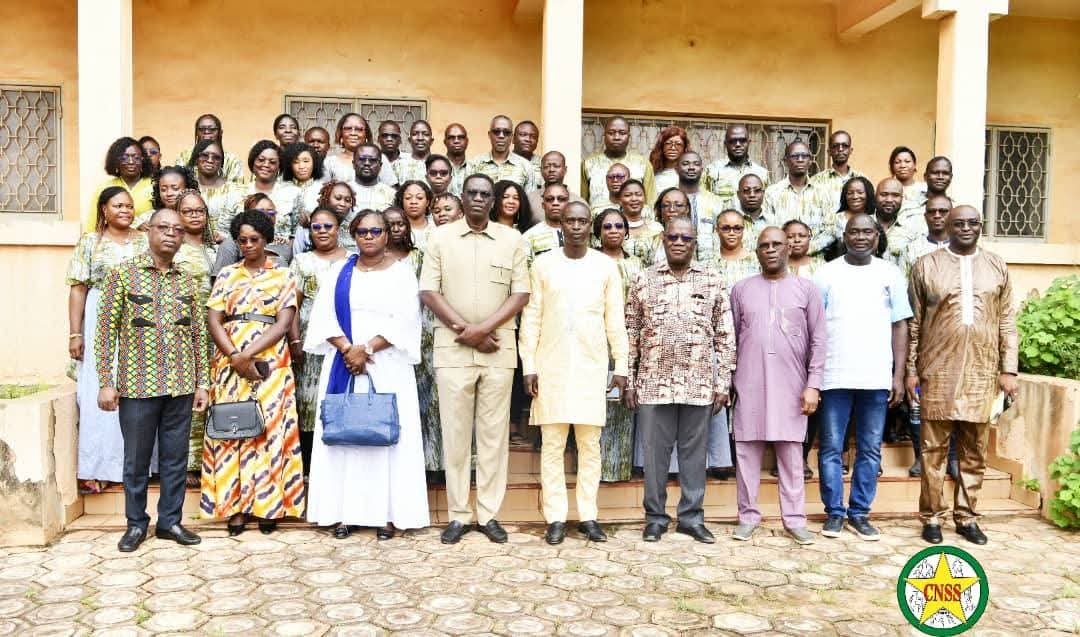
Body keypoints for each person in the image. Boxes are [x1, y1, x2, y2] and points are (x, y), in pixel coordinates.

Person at [304, 210, 430, 539]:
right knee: (344, 438)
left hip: (386, 366)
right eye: (363, 232)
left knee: (385, 438)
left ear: (387, 235)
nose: (369, 237)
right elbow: (323, 316)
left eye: (376, 231)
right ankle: (344, 513)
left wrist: (368, 349)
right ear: (354, 235)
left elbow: (405, 319)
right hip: (344, 364)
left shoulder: (402, 274)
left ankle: (386, 514)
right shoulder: (339, 271)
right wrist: (349, 349)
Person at [419, 174, 530, 545]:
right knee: (455, 435)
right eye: (473, 193)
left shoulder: (512, 240)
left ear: (493, 201)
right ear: (462, 198)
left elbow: (521, 294)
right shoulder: (440, 237)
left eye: (485, 194)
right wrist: (465, 330)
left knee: (493, 436)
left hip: (498, 348)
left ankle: (488, 514)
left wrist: (482, 330)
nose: (479, 199)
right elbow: (428, 291)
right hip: (453, 348)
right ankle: (458, 514)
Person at [96, 209, 209, 552]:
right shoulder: (122, 275)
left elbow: (198, 335)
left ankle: (170, 522)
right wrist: (106, 381)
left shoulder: (188, 280)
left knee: (175, 458)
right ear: (149, 231)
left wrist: (202, 383)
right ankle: (135, 523)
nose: (171, 234)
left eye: (177, 230)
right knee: (137, 460)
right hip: (137, 384)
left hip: (181, 384)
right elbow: (105, 332)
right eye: (164, 227)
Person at [907, 205, 1018, 546]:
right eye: (959, 223)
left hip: (982, 371)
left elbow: (1007, 321)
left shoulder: (996, 266)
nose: (966, 228)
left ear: (981, 226)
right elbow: (914, 324)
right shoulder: (927, 265)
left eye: (973, 223)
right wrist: (911, 370)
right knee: (933, 450)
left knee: (974, 451)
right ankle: (932, 517)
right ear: (947, 225)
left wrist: (1009, 369)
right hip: (937, 371)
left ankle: (967, 517)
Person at [520, 201, 628, 545]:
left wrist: (621, 365)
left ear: (590, 225)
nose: (576, 227)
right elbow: (531, 318)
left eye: (582, 221)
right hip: (550, 368)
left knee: (589, 446)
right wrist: (529, 366)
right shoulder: (543, 265)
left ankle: (588, 516)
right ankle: (555, 518)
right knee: (552, 446)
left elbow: (615, 320)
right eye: (570, 221)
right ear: (561, 225)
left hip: (591, 368)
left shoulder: (605, 266)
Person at [626, 216, 735, 544]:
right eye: (672, 237)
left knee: (694, 454)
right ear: (663, 240)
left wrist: (723, 383)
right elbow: (631, 332)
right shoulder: (643, 280)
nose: (678, 242)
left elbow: (725, 335)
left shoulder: (712, 280)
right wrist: (629, 380)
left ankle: (691, 517)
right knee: (654, 456)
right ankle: (655, 518)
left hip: (697, 385)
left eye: (685, 238)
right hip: (652, 383)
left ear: (695, 243)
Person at [201, 210, 305, 536]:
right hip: (229, 362)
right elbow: (214, 319)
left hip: (270, 362)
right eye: (242, 240)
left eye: (254, 239)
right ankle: (235, 509)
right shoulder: (227, 274)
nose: (248, 245)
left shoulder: (283, 275)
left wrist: (247, 355)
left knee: (270, 432)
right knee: (234, 430)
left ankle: (268, 507)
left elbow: (284, 323)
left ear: (266, 239)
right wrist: (234, 356)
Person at [813, 214, 912, 541]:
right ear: (844, 236)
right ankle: (834, 512)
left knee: (870, 449)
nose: (860, 237)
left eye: (867, 232)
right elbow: (814, 328)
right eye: (853, 232)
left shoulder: (890, 273)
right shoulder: (826, 274)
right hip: (834, 375)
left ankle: (859, 513)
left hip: (875, 377)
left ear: (877, 237)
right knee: (831, 448)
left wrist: (898, 374)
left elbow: (900, 325)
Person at [729, 227, 826, 545]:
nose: (770, 249)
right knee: (746, 453)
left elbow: (819, 340)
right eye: (764, 245)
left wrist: (813, 385)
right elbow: (731, 339)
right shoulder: (741, 289)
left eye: (776, 244)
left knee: (791, 457)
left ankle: (795, 520)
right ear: (757, 252)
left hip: (792, 386)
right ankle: (747, 516)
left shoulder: (807, 290)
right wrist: (729, 382)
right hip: (749, 383)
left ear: (788, 248)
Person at [68, 187, 148, 494]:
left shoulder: (144, 241)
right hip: (99, 317)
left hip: (139, 321)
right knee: (100, 388)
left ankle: (136, 468)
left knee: (138, 390)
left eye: (129, 206)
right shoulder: (90, 242)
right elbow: (78, 289)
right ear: (104, 209)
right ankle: (100, 468)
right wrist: (75, 333)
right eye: (118, 205)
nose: (125, 211)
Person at [898, 194, 959, 479]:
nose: (937, 216)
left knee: (952, 399)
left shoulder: (966, 250)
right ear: (925, 216)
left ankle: (953, 457)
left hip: (956, 339)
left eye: (943, 211)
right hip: (922, 336)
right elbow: (908, 296)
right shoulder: (913, 250)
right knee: (917, 398)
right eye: (932, 211)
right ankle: (920, 456)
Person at [289, 208, 348, 476]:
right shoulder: (302, 261)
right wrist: (295, 341)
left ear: (339, 229)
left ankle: (338, 465)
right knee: (308, 402)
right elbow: (292, 306)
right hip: (309, 342)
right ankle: (309, 468)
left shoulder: (352, 259)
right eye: (316, 227)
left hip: (344, 341)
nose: (322, 231)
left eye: (328, 226)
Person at [171, 190, 222, 486]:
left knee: (211, 392)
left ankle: (210, 459)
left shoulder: (215, 250)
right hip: (183, 331)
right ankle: (188, 463)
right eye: (187, 211)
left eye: (199, 211)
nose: (194, 216)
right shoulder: (174, 250)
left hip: (214, 330)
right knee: (187, 395)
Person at [594, 209, 643, 482]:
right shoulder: (590, 262)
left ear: (626, 231)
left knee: (622, 400)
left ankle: (619, 469)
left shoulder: (638, 265)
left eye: (618, 226)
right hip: (595, 340)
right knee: (598, 403)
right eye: (607, 226)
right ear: (598, 232)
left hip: (628, 341)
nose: (613, 231)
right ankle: (595, 468)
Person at [763, 141, 837, 257]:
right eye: (795, 156)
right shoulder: (772, 193)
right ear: (786, 160)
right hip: (782, 259)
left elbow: (831, 229)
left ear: (810, 160)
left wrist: (807, 248)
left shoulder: (823, 193)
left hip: (815, 260)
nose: (800, 159)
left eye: (805, 156)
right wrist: (785, 249)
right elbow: (768, 229)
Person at [582, 116, 655, 209]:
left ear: (629, 137)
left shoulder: (642, 164)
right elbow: (582, 202)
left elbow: (650, 203)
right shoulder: (589, 164)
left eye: (622, 133)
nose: (616, 137)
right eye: (611, 133)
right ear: (604, 136)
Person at [84, 137, 155, 233]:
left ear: (143, 160)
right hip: (112, 240)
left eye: (136, 157)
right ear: (116, 161)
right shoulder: (104, 187)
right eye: (124, 158)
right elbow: (93, 222)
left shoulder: (155, 185)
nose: (131, 162)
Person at [242, 140, 299, 242]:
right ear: (253, 162)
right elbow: (226, 231)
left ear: (279, 166)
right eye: (261, 160)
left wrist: (288, 247)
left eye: (272, 162)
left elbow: (297, 233)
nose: (266, 165)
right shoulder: (238, 192)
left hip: (280, 248)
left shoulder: (293, 193)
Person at [703, 124, 770, 207]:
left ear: (749, 143)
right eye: (733, 141)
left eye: (742, 140)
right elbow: (703, 202)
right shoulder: (712, 170)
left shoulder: (762, 173)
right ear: (725, 144)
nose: (738, 144)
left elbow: (766, 204)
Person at [187, 139, 244, 235]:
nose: (210, 160)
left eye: (216, 157)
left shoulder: (234, 191)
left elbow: (241, 225)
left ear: (221, 163)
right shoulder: (186, 187)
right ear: (196, 159)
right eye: (205, 155)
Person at [466, 115, 536, 191]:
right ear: (489, 135)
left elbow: (529, 197)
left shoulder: (525, 166)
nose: (501, 136)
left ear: (512, 136)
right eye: (496, 132)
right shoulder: (474, 164)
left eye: (506, 132)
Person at [324, 113, 396, 186]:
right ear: (340, 133)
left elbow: (391, 189)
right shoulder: (330, 163)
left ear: (366, 134)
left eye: (359, 129)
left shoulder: (379, 158)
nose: (353, 133)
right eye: (348, 129)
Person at [676, 151, 726, 257]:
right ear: (677, 169)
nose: (691, 167)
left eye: (696, 164)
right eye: (685, 164)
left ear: (702, 169)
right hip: (675, 261)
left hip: (710, 261)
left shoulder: (715, 201)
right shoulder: (669, 198)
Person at [279, 142, 327, 243]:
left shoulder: (323, 189)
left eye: (306, 161)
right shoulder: (281, 188)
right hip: (284, 242)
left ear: (314, 163)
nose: (301, 166)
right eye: (296, 162)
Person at [175, 114, 243, 183]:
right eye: (201, 129)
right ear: (196, 132)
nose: (206, 132)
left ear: (220, 132)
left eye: (212, 129)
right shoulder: (185, 156)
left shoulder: (232, 160)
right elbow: (177, 182)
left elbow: (238, 185)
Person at [825, 176, 878, 261]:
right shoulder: (835, 219)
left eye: (860, 192)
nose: (855, 196)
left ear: (868, 194)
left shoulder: (875, 217)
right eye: (850, 193)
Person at [527, 151, 586, 223]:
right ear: (541, 170)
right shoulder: (529, 199)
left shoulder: (579, 202)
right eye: (546, 166)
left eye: (556, 166)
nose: (551, 170)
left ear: (565, 170)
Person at [809, 131, 863, 209]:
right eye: (835, 146)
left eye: (845, 145)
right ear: (829, 152)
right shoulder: (816, 181)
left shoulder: (862, 179)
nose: (840, 149)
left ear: (850, 150)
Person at [899, 156, 952, 234]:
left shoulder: (956, 208)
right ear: (925, 176)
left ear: (951, 177)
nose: (940, 177)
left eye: (945, 173)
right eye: (935, 173)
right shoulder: (907, 204)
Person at [619, 180, 663, 265]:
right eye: (628, 195)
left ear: (644, 198)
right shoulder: (612, 228)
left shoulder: (656, 228)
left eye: (638, 194)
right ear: (620, 200)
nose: (634, 199)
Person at [522, 182, 568, 263]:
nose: (555, 203)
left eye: (561, 199)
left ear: (568, 204)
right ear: (543, 205)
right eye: (550, 199)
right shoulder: (529, 237)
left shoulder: (579, 233)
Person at [873, 177, 914, 266]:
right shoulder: (863, 224)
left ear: (902, 198)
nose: (889, 200)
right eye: (884, 194)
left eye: (895, 195)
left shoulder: (911, 229)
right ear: (875, 196)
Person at [347, 143, 396, 215]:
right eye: (362, 159)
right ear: (353, 164)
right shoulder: (344, 191)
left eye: (373, 160)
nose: (367, 163)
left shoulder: (391, 194)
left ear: (380, 166)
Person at [648, 125, 689, 195]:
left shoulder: (689, 174)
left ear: (684, 148)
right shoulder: (651, 172)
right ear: (662, 146)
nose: (673, 148)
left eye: (678, 144)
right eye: (668, 143)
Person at [395, 179, 434, 250]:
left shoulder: (436, 227)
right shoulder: (396, 229)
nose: (413, 202)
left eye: (419, 198)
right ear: (402, 201)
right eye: (408, 198)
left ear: (427, 202)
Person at [889, 146, 926, 222]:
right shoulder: (887, 189)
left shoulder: (924, 189)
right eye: (897, 162)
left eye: (907, 161)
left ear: (914, 165)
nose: (902, 166)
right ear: (892, 167)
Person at [735, 174, 771, 250]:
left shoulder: (774, 222)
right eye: (746, 191)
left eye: (757, 191)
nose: (752, 195)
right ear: (738, 194)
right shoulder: (731, 222)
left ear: (763, 193)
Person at [512, 120, 542, 188]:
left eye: (533, 136)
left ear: (537, 141)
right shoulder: (503, 161)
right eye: (523, 135)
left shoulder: (544, 164)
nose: (528, 139)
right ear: (513, 138)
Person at [443, 123, 469, 194]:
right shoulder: (437, 168)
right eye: (451, 137)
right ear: (445, 142)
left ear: (467, 141)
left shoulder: (475, 167)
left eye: (461, 137)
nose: (456, 141)